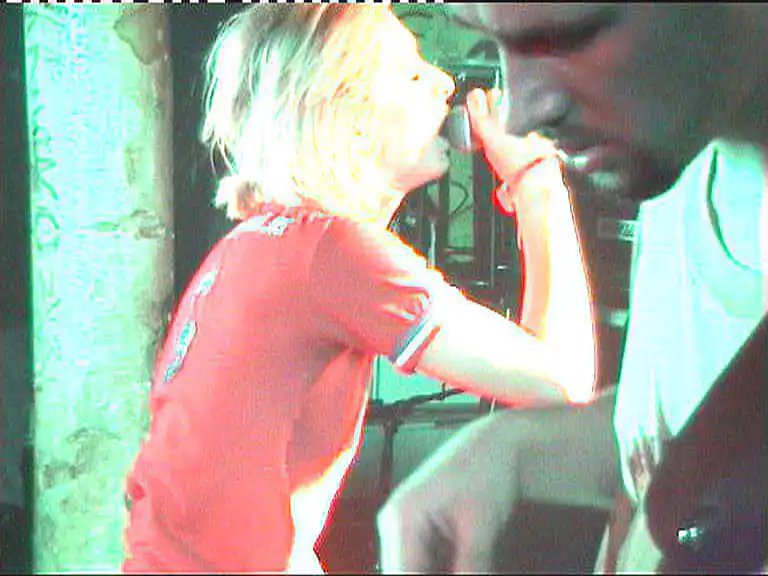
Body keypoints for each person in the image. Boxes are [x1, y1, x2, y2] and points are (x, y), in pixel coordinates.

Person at [122, 5, 598, 573]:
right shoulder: (333, 249)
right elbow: (563, 380)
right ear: (349, 117)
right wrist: (536, 180)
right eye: (412, 73)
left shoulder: (250, 247)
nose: (445, 83)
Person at [377, 3, 768, 573]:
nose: (518, 115)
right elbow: (671, 424)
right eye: (493, 42)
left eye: (571, 35)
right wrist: (509, 451)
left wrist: (534, 181)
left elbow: (560, 374)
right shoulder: (682, 156)